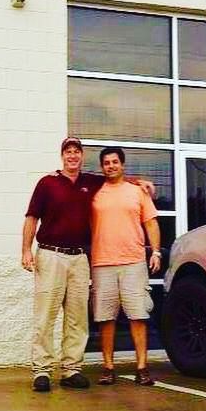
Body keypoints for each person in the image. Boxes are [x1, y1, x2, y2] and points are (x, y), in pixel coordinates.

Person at [21, 137, 153, 393]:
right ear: (62, 156)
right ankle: (42, 371)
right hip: (51, 255)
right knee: (45, 316)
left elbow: (115, 178)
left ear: (82, 156)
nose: (73, 156)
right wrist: (26, 250)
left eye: (77, 152)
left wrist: (139, 182)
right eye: (68, 152)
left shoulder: (90, 182)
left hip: (80, 258)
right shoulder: (47, 183)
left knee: (77, 317)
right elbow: (31, 218)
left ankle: (71, 369)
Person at [90, 147, 161, 386]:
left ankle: (142, 367)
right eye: (106, 163)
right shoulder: (94, 192)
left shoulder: (138, 192)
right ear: (102, 167)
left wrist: (156, 251)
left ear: (122, 165)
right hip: (102, 263)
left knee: (138, 316)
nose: (110, 166)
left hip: (134, 262)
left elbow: (151, 224)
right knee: (105, 319)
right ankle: (108, 368)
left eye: (115, 162)